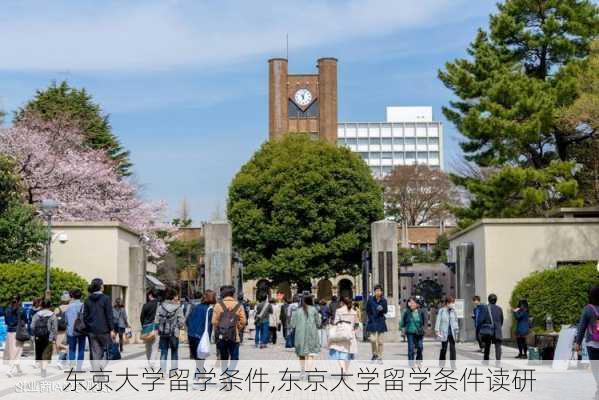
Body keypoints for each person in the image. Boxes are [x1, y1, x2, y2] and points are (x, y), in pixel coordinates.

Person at [212, 285, 246, 372]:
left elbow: (214, 321)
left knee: (224, 358)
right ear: (232, 294)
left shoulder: (218, 305)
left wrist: (221, 327)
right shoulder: (238, 305)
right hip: (234, 336)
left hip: (221, 336)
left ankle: (224, 376)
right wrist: (236, 327)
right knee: (234, 357)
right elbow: (243, 321)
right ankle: (229, 374)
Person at [83, 278, 116, 369]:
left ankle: (98, 374)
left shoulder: (87, 300)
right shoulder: (106, 298)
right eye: (102, 284)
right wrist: (112, 329)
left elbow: (84, 316)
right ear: (100, 286)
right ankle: (101, 366)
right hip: (104, 330)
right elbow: (109, 315)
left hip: (92, 331)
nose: (103, 286)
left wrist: (89, 326)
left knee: (95, 353)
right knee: (109, 351)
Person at [576, 285, 599, 399]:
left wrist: (578, 342)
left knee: (596, 368)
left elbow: (582, 327)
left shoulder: (588, 309)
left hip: (592, 344)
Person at [290, 294, 321, 379]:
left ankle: (303, 371)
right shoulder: (314, 310)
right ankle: (309, 372)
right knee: (311, 354)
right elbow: (318, 323)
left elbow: (292, 324)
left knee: (301, 354)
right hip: (312, 335)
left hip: (300, 335)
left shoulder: (297, 311)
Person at [155, 287, 185, 373]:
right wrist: (179, 328)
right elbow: (181, 321)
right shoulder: (178, 307)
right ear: (172, 297)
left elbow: (156, 320)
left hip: (163, 332)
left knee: (163, 352)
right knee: (174, 352)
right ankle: (173, 372)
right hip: (174, 333)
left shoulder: (160, 307)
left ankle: (162, 372)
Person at [186, 289, 215, 373]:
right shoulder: (210, 309)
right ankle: (198, 378)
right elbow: (210, 325)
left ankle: (200, 374)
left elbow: (188, 320)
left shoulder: (195, 307)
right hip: (201, 336)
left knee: (197, 359)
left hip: (191, 334)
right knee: (201, 359)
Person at [328, 296, 358, 372]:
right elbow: (356, 323)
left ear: (342, 302)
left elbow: (335, 322)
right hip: (350, 334)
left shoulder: (339, 311)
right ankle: (346, 371)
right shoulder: (354, 312)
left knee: (339, 353)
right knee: (349, 354)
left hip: (341, 333)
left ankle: (343, 369)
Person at [31, 298, 58, 377]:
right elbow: (55, 329)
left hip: (38, 337)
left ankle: (41, 369)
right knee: (46, 354)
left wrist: (35, 333)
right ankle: (44, 369)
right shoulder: (53, 315)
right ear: (50, 305)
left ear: (41, 305)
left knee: (39, 353)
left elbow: (32, 326)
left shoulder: (36, 314)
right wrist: (54, 338)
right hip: (48, 338)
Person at [477, 293, 504, 363]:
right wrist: (498, 326)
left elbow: (480, 320)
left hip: (488, 329)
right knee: (498, 346)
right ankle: (498, 362)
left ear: (488, 300)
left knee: (487, 345)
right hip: (497, 330)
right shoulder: (499, 309)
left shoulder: (485, 308)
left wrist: (480, 327)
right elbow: (501, 320)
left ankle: (486, 361)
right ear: (496, 300)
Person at [4, 295, 26, 377]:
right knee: (17, 351)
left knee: (12, 350)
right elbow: (25, 320)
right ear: (19, 301)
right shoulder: (21, 310)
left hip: (9, 332)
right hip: (18, 332)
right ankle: (10, 370)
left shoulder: (7, 310)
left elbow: (6, 322)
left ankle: (18, 369)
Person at [400, 296, 426, 366]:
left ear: (417, 304)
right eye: (410, 303)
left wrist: (423, 329)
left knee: (420, 347)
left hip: (419, 332)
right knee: (411, 348)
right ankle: (411, 363)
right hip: (410, 332)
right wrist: (402, 329)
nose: (411, 304)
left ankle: (418, 361)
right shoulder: (407, 312)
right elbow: (402, 322)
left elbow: (424, 322)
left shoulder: (420, 312)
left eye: (412, 303)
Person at [65, 288, 86, 371]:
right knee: (81, 349)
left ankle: (72, 367)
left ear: (72, 296)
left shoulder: (69, 307)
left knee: (72, 349)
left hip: (71, 331)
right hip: (82, 330)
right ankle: (79, 368)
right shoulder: (83, 305)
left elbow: (66, 320)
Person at [435, 296, 459, 368]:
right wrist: (437, 330)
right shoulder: (441, 311)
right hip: (444, 332)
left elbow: (455, 321)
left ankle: (453, 365)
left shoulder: (453, 311)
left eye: (453, 303)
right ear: (447, 303)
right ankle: (441, 364)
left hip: (452, 332)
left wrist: (457, 330)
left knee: (453, 349)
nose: (452, 304)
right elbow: (438, 320)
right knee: (444, 348)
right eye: (451, 303)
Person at [366, 284, 388, 362]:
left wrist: (382, 309)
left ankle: (380, 356)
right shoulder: (371, 300)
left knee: (380, 341)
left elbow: (386, 311)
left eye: (379, 291)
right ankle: (374, 353)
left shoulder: (384, 300)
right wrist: (369, 317)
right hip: (372, 321)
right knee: (372, 339)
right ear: (374, 292)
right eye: (376, 291)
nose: (378, 292)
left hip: (380, 321)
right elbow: (367, 310)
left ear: (381, 292)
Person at [140, 289, 159, 368]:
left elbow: (142, 317)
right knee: (155, 345)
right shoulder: (159, 305)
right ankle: (152, 361)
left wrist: (143, 326)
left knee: (148, 346)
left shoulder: (146, 305)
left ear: (150, 295)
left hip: (146, 326)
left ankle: (149, 361)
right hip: (156, 327)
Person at [54, 292, 70, 368]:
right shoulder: (70, 307)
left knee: (59, 345)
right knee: (64, 345)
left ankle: (60, 361)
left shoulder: (58, 308)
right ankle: (62, 361)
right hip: (67, 328)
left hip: (59, 329)